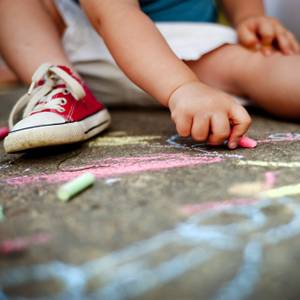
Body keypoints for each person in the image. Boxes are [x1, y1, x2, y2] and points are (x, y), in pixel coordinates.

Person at [0, 0, 299, 153]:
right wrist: (183, 87)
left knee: (266, 65)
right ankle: (56, 83)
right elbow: (113, 13)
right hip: (80, 47)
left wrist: (249, 16)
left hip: (190, 48)